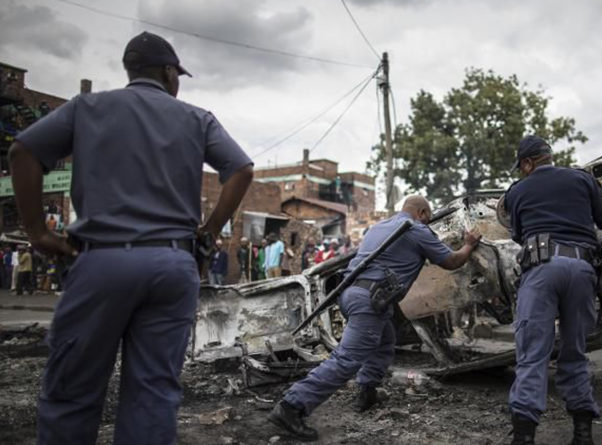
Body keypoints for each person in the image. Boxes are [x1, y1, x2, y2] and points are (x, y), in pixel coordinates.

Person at [8, 31, 253, 445]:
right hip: (173, 265)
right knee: (153, 394)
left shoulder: (88, 108)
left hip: (102, 260)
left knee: (73, 391)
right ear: (168, 71)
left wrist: (36, 231)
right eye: (177, 75)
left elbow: (23, 153)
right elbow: (241, 169)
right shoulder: (196, 118)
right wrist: (209, 230)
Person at [266, 195, 482, 441]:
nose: (428, 222)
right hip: (369, 301)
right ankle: (291, 407)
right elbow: (451, 261)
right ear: (422, 213)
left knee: (384, 340)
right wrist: (468, 244)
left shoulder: (378, 228)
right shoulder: (416, 229)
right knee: (347, 359)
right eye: (428, 218)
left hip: (352, 295)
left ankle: (367, 391)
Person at [503, 135, 602, 445]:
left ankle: (524, 438)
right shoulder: (582, 180)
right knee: (575, 353)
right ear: (550, 156)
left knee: (532, 355)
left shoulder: (517, 192)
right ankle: (583, 435)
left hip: (541, 271)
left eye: (521, 167)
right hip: (583, 270)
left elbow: (517, 235)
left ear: (528, 163)